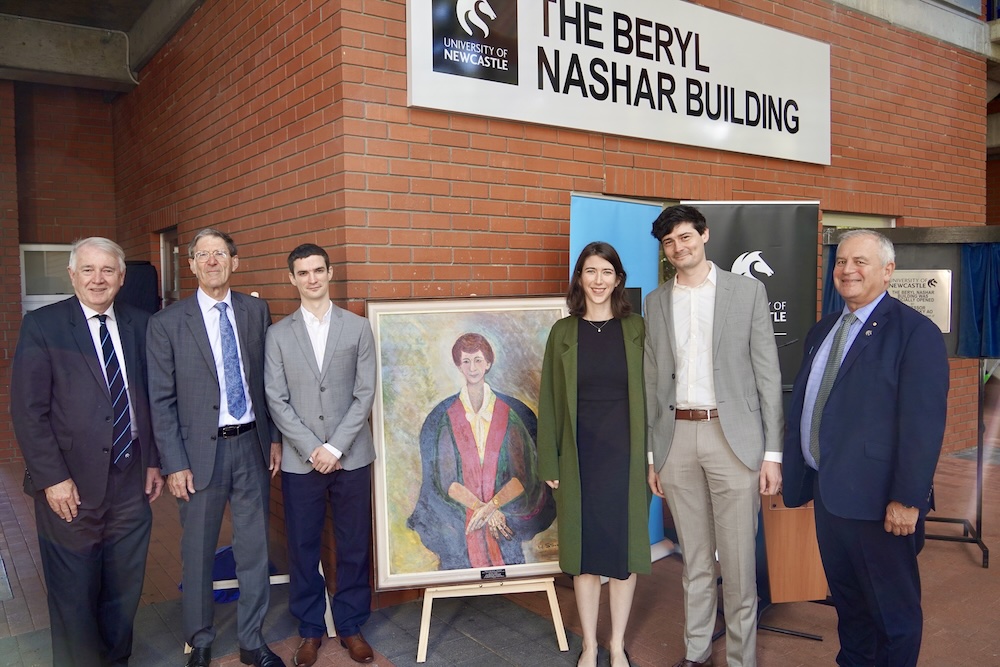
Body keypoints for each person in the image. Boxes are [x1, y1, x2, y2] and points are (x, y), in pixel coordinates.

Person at [782, 230, 949, 667]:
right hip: (829, 495)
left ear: (888, 271)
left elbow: (923, 425)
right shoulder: (824, 329)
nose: (848, 270)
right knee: (850, 605)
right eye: (841, 262)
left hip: (880, 504)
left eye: (861, 262)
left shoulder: (915, 333)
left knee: (893, 613)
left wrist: (907, 499)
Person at [10, 237, 164, 667]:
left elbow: (150, 399)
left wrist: (153, 460)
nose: (98, 279)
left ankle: (116, 661)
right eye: (89, 270)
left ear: (121, 277)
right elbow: (28, 411)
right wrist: (52, 479)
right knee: (73, 589)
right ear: (73, 275)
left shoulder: (141, 322)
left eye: (108, 270)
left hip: (131, 477)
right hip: (69, 483)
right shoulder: (44, 325)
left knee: (123, 584)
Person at [644, 205, 783, 667]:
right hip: (676, 438)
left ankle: (743, 659)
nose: (678, 248)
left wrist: (772, 453)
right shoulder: (657, 301)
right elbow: (651, 379)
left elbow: (767, 373)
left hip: (733, 437)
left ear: (703, 235)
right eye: (668, 243)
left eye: (684, 237)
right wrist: (652, 453)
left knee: (739, 564)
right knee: (696, 560)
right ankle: (696, 652)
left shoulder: (746, 291)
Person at [147, 228, 284, 667]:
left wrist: (276, 439)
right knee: (197, 551)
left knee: (253, 549)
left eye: (219, 254)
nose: (211, 261)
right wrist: (173, 463)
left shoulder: (255, 310)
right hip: (198, 457)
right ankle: (200, 640)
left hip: (251, 447)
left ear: (234, 262)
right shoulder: (167, 323)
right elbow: (161, 400)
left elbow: (267, 383)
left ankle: (251, 641)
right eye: (202, 255)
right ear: (190, 265)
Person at [537, 241, 650, 667]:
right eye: (590, 271)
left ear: (618, 279)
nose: (598, 280)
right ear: (579, 278)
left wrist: (654, 457)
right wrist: (550, 459)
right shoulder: (563, 332)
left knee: (623, 554)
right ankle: (588, 644)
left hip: (626, 454)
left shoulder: (636, 327)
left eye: (606, 272)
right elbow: (548, 399)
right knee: (583, 555)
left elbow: (654, 395)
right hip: (579, 456)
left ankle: (616, 643)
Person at [264, 244, 377, 666]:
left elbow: (365, 393)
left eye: (317, 270)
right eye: (302, 272)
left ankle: (350, 626)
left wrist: (334, 447)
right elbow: (276, 399)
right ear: (291, 279)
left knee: (353, 545)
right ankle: (310, 630)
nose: (311, 278)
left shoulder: (357, 328)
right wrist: (312, 448)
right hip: (301, 459)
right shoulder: (277, 334)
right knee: (303, 547)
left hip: (351, 457)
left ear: (330, 273)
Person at [407, 332, 556, 570]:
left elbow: (523, 478)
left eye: (477, 360)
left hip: (505, 516)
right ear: (458, 365)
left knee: (507, 547)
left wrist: (493, 507)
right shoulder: (447, 417)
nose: (472, 367)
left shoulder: (510, 415)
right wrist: (483, 510)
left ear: (488, 362)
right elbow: (446, 482)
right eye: (466, 361)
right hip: (461, 521)